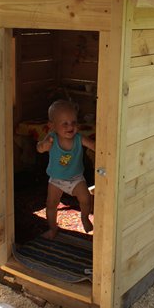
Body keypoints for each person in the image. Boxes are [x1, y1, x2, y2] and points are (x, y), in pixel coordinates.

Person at [36, 100, 96, 239]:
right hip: (56, 180)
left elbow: (94, 146)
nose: (71, 127)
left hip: (76, 179)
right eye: (65, 124)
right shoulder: (51, 138)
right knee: (51, 205)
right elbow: (39, 147)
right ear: (52, 126)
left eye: (74, 122)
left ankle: (85, 217)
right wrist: (43, 146)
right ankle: (52, 229)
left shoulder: (79, 138)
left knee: (86, 198)